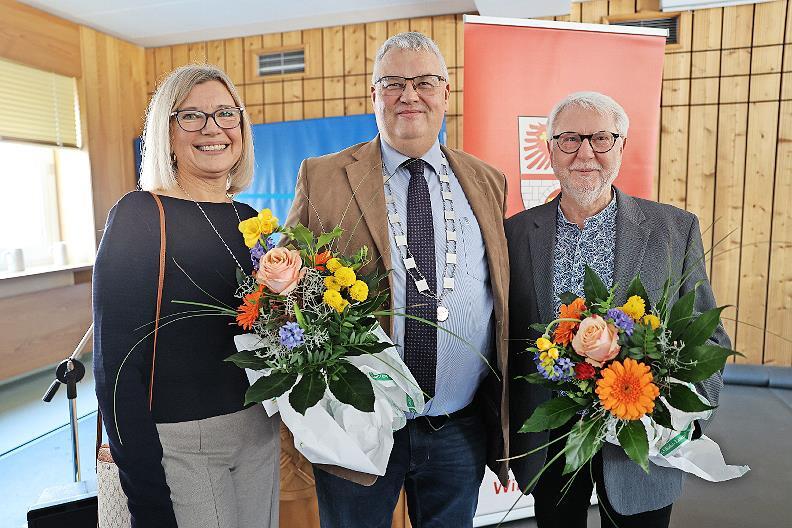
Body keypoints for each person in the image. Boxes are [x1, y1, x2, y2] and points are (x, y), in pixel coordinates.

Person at [284, 32, 510, 527]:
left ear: (446, 93)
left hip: (459, 428)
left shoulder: (488, 181)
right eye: (392, 83)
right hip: (357, 424)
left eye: (424, 82)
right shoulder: (323, 177)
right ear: (373, 95)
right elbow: (287, 287)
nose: (409, 95)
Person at [506, 91, 731, 528]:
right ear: (550, 149)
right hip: (550, 441)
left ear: (621, 147)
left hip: (641, 441)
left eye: (601, 139)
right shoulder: (515, 233)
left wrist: (683, 415)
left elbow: (708, 340)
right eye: (569, 139)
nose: (585, 153)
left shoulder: (674, 229)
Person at [93, 64, 280, 528]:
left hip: (260, 430)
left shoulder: (250, 217)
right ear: (166, 131)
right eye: (191, 116)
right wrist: (146, 494)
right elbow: (113, 367)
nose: (212, 128)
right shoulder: (140, 215)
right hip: (184, 444)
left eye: (224, 113)